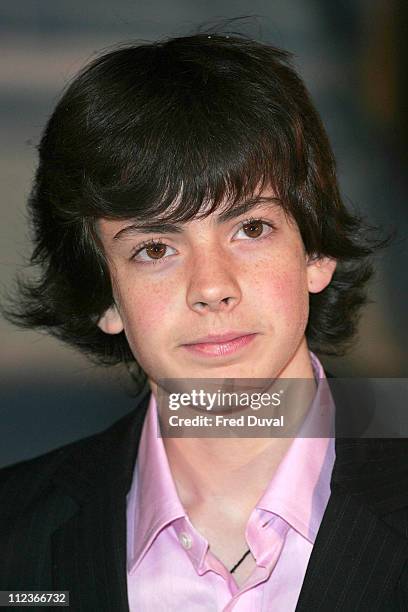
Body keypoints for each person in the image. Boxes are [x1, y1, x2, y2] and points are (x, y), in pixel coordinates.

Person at [1, 32, 407, 611]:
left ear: (316, 254)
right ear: (106, 299)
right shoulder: (12, 538)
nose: (212, 287)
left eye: (250, 229)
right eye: (156, 249)